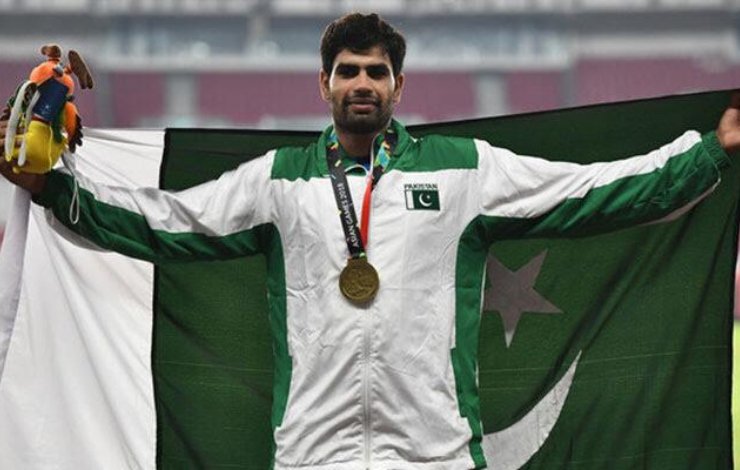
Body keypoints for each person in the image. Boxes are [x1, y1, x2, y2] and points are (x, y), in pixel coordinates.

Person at [0, 12, 738, 470]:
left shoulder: (465, 170)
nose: (363, 82)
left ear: (398, 86)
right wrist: (54, 187)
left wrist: (715, 150)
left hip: (438, 457)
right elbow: (170, 222)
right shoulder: (278, 181)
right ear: (324, 84)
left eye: (376, 72)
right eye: (348, 71)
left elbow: (593, 191)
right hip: (313, 457)